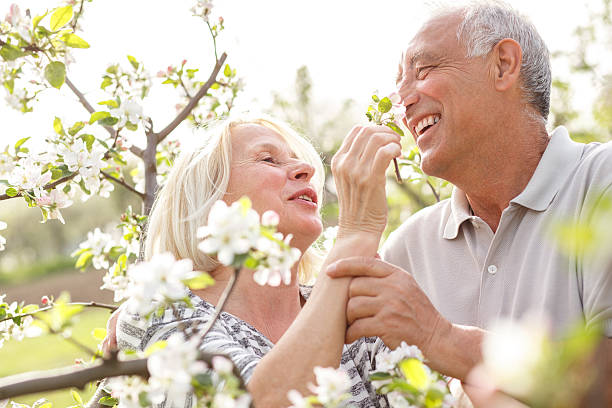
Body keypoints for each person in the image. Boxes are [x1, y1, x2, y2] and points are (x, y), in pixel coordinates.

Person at [326, 0, 612, 397]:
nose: (401, 100)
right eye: (399, 82)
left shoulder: (603, 183)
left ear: (503, 65)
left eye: (423, 70)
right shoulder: (408, 249)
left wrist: (440, 338)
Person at [113, 114, 402, 407]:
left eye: (298, 160)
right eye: (268, 159)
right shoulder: (160, 313)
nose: (307, 169)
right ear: (210, 199)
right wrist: (355, 237)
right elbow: (252, 401)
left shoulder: (355, 315)